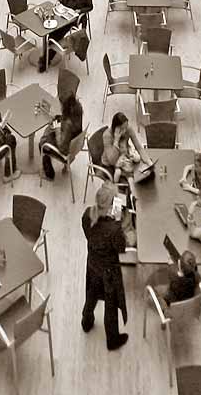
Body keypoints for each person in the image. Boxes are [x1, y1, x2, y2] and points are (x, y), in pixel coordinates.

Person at [81, 183, 129, 350]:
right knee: (111, 303)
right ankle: (112, 339)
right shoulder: (114, 228)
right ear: (110, 205)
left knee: (92, 293)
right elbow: (121, 248)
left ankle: (86, 321)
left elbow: (89, 234)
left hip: (92, 263)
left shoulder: (87, 214)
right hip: (109, 271)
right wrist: (117, 222)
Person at [40, 87, 83, 179]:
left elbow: (61, 145)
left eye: (61, 104)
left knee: (42, 142)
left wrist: (57, 129)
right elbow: (66, 119)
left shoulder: (68, 124)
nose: (59, 105)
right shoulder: (78, 108)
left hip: (65, 148)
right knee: (50, 128)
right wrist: (57, 118)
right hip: (74, 140)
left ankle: (49, 174)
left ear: (65, 106)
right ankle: (64, 167)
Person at [102, 112, 149, 181]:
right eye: (122, 129)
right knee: (132, 179)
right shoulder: (107, 135)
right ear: (115, 128)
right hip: (111, 164)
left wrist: (148, 161)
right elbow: (112, 160)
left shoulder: (127, 128)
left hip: (125, 157)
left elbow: (139, 147)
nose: (125, 131)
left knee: (142, 171)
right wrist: (116, 140)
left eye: (126, 127)